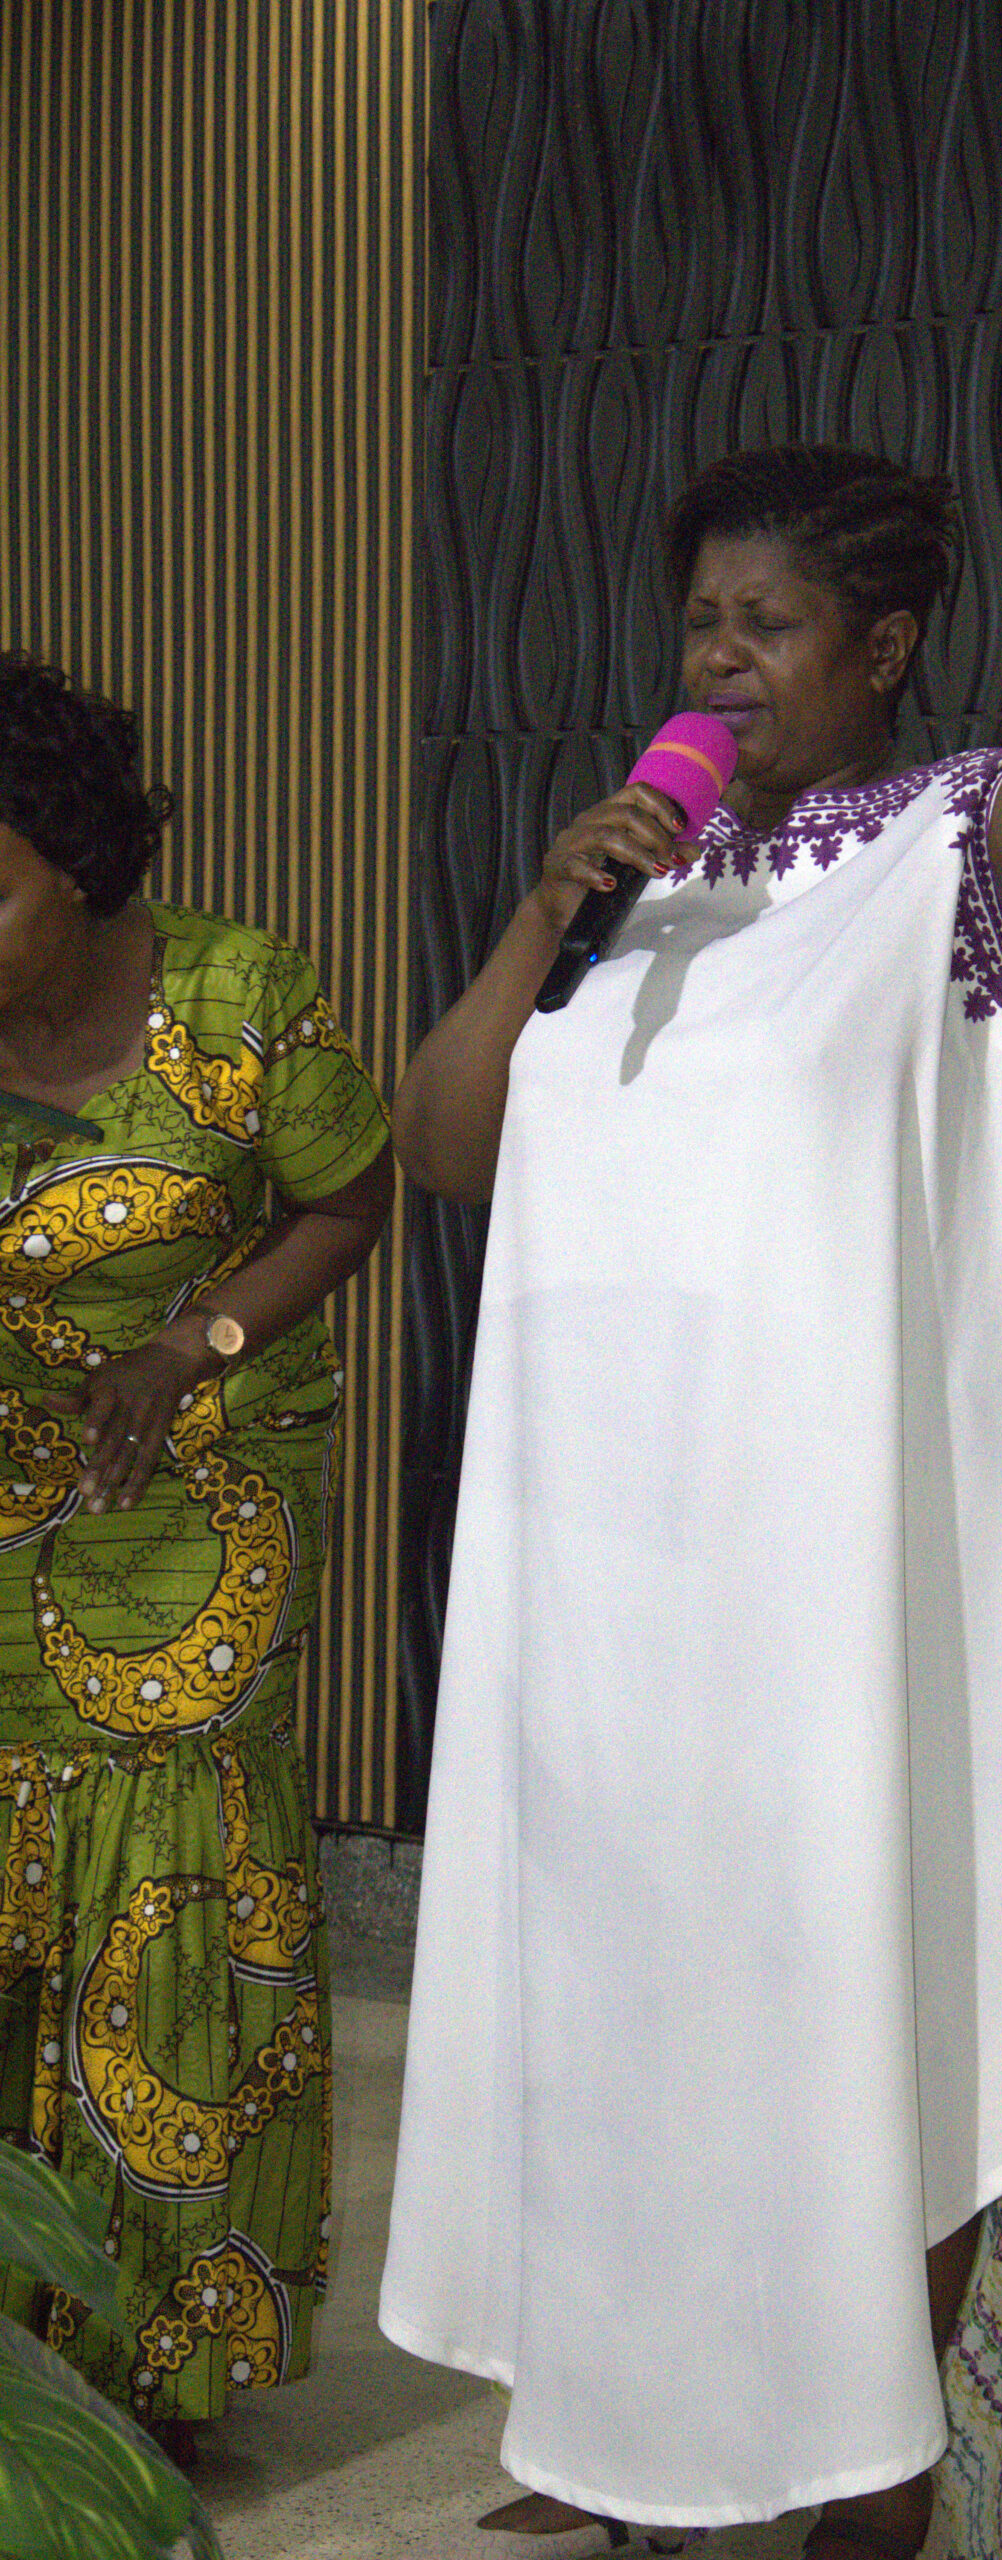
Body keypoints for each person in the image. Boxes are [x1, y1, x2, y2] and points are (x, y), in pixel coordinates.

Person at [380, 329, 1002, 2559]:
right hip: (609, 1590)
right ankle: (619, 2441)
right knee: (624, 2010)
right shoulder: (642, 885)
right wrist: (550, 907)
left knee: (861, 1998)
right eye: (700, 618)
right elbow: (444, 1140)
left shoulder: (964, 838)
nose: (719, 656)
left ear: (879, 645)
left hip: (846, 1579)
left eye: (766, 620)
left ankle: (865, 2478)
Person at [0, 654, 393, 2460]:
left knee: (155, 1901)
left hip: (195, 1495)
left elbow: (351, 1195)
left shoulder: (238, 999)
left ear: (80, 866)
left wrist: (197, 1342)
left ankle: (140, 2362)